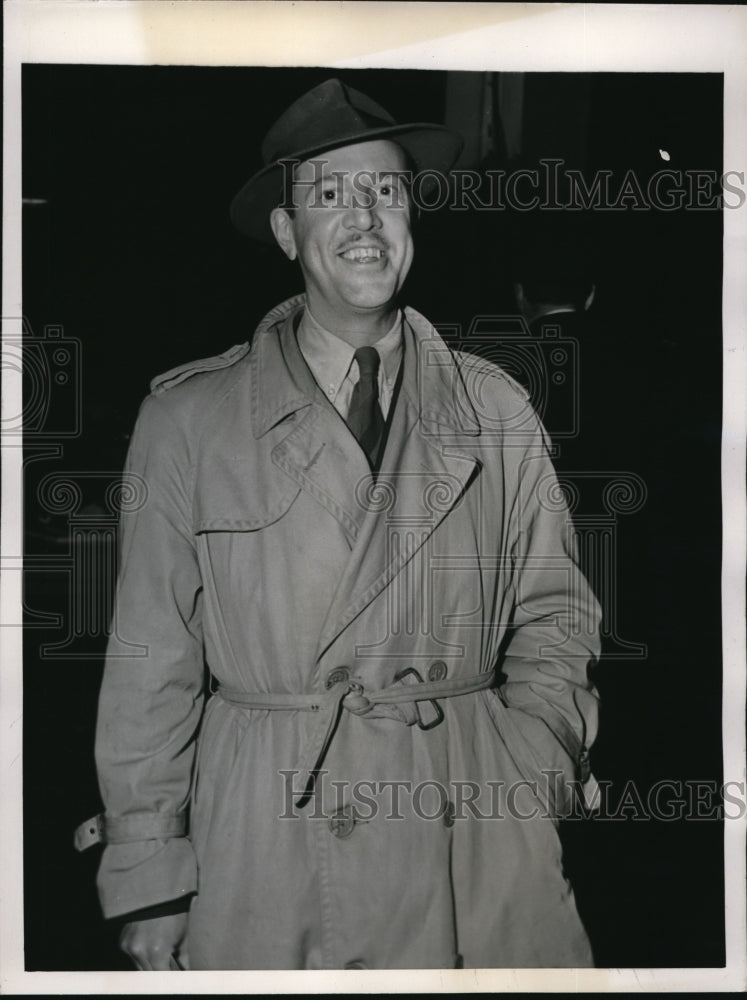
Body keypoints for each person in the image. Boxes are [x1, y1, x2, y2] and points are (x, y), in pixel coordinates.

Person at [76, 78, 602, 971]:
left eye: (386, 192)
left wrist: (530, 761)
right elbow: (149, 658)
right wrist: (150, 872)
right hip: (267, 841)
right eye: (329, 196)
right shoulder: (190, 420)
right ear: (287, 234)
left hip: (470, 830)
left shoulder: (496, 410)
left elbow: (555, 615)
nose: (364, 218)